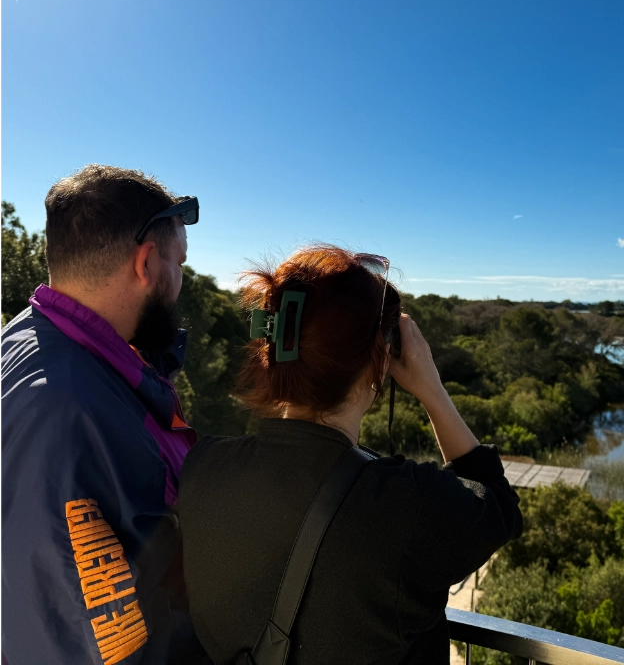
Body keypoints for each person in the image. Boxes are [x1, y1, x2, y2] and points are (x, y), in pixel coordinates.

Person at [178, 246, 523, 664]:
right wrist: (432, 390)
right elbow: (498, 505)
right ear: (380, 360)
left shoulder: (203, 467)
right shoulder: (407, 506)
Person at [0, 165, 207, 664]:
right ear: (146, 263)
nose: (179, 283)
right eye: (178, 263)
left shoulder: (34, 336)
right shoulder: (69, 418)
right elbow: (74, 641)